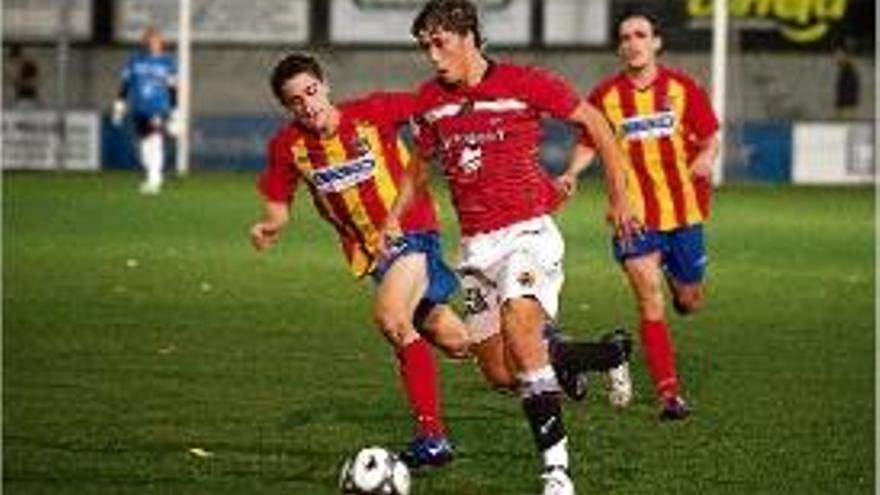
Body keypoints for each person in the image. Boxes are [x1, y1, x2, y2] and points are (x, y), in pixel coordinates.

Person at [252, 52, 631, 474]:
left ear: (325, 86)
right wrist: (271, 224)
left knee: (393, 319)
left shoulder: (372, 112)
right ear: (287, 108)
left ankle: (432, 439)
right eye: (295, 100)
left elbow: (433, 109)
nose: (307, 104)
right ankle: (583, 354)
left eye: (311, 91)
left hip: (412, 235)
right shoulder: (288, 147)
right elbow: (279, 201)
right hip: (375, 258)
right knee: (473, 351)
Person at [382, 1, 637, 493]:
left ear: (469, 36)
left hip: (528, 235)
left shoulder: (526, 82)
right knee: (502, 373)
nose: (433, 57)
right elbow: (419, 164)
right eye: (425, 47)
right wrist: (394, 216)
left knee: (522, 328)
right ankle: (609, 353)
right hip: (477, 249)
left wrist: (621, 198)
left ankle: (557, 472)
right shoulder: (430, 101)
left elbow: (599, 126)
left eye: (441, 43)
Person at [571, 12, 720, 421]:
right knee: (648, 298)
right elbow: (589, 142)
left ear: (656, 43)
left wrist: (705, 159)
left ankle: (679, 279)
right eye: (625, 37)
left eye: (641, 35)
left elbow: (709, 137)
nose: (633, 42)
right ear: (620, 48)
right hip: (632, 216)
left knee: (689, 300)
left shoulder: (683, 88)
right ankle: (669, 393)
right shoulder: (605, 95)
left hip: (683, 212)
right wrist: (570, 173)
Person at [112, 27, 179, 195]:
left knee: (155, 140)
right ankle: (150, 173)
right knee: (144, 146)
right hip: (139, 108)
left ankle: (155, 179)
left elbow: (172, 88)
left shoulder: (168, 63)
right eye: (151, 40)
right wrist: (119, 106)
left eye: (157, 40)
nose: (154, 43)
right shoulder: (135, 61)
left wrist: (174, 111)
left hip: (158, 107)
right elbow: (125, 85)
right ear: (145, 42)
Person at [833, 42, 860, 119]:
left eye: (838, 55)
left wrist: (840, 107)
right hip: (846, 108)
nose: (836, 57)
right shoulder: (846, 70)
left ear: (845, 55)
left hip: (846, 109)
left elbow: (848, 93)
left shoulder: (848, 71)